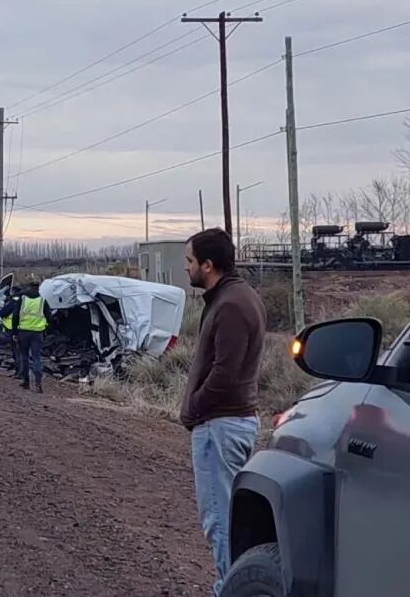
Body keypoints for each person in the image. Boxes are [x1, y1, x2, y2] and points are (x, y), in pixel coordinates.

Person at [180, 228, 267, 595]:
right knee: (231, 521)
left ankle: (232, 590)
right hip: (232, 423)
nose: (186, 268)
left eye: (189, 261)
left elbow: (225, 374)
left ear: (208, 264)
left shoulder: (230, 305)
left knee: (221, 522)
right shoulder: (237, 296)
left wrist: (193, 407)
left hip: (221, 426)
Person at [11, 281, 52, 393]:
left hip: (23, 332)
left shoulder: (23, 300)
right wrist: (45, 329)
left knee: (24, 356)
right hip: (37, 333)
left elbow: (15, 316)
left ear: (28, 288)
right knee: (36, 358)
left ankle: (26, 381)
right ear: (38, 289)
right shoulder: (42, 301)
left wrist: (14, 332)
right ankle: (38, 384)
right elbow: (49, 318)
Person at [0, 286, 22, 375]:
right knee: (18, 351)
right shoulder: (25, 303)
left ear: (12, 292)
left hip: (9, 330)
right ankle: (20, 373)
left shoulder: (13, 302)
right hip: (21, 330)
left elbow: (2, 313)